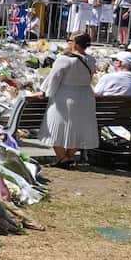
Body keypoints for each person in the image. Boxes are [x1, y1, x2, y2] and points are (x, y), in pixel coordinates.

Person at [38, 31, 98, 167]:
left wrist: (47, 93)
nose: (68, 42)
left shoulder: (64, 60)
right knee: (79, 128)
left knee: (55, 128)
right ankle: (67, 156)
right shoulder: (91, 60)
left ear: (75, 44)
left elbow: (54, 79)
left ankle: (63, 158)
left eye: (69, 40)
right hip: (85, 96)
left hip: (66, 95)